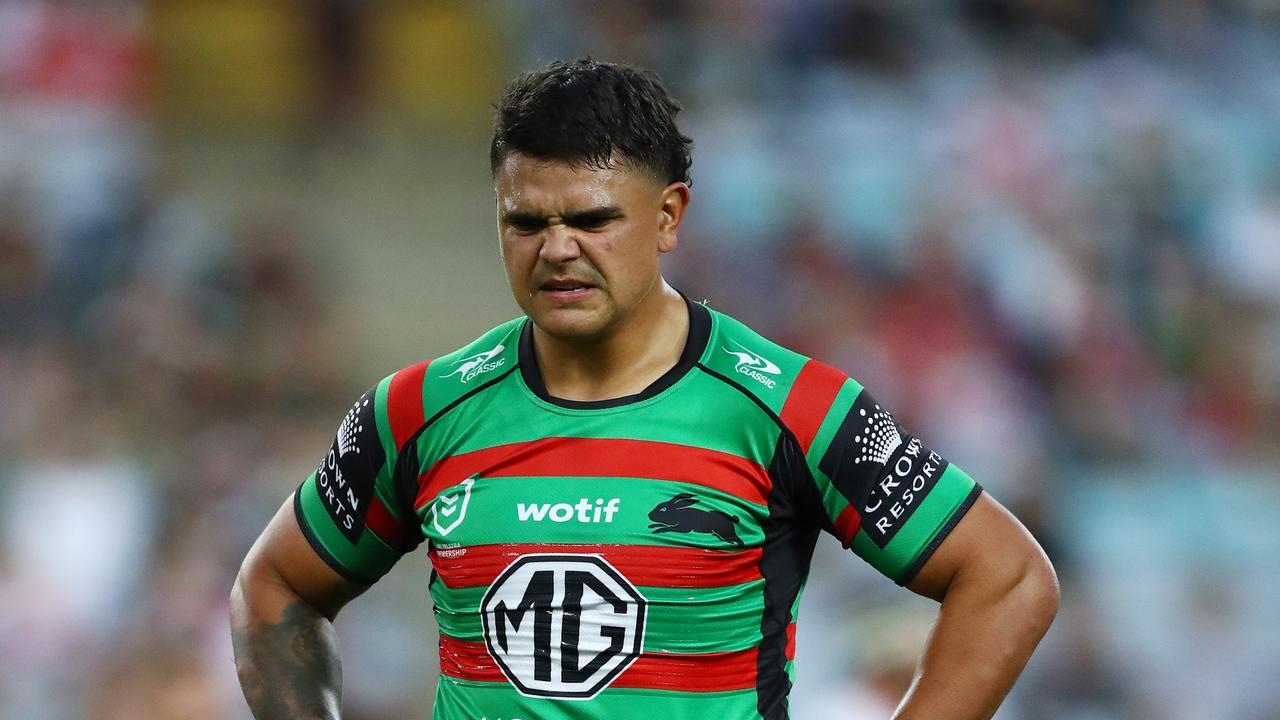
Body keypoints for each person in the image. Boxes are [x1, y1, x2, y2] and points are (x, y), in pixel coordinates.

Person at [230, 58, 1058, 720]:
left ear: (669, 216)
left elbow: (1007, 578)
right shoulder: (419, 411)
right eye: (526, 223)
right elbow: (277, 589)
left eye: (592, 221)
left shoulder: (787, 408)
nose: (556, 249)